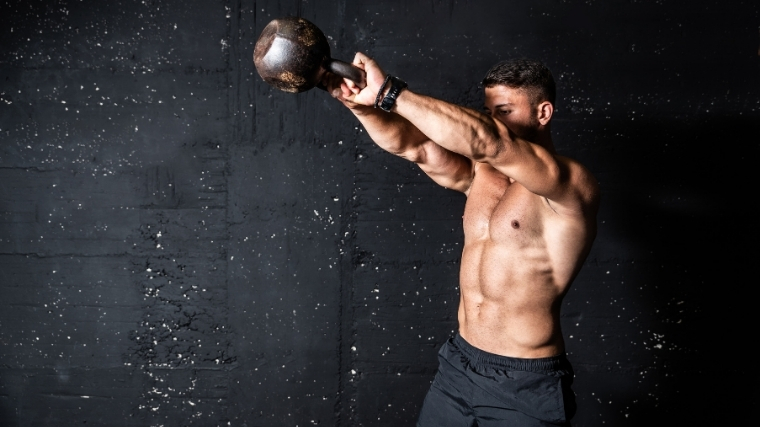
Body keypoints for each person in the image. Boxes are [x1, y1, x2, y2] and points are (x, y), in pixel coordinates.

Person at [322, 53, 600, 426]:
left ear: (543, 113)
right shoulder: (481, 175)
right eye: (486, 111)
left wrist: (388, 92)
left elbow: (491, 143)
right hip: (459, 366)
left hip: (524, 382)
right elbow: (412, 146)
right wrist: (361, 105)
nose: (490, 120)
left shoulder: (569, 185)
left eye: (503, 110)